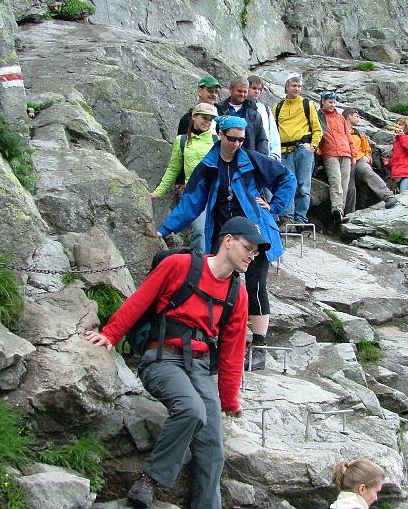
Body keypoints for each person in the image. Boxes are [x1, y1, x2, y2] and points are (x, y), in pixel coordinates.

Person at [84, 216, 270, 509]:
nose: (251, 256)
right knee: (191, 410)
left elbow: (232, 352)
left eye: (255, 252)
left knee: (213, 449)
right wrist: (110, 334)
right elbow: (140, 300)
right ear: (228, 241)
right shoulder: (179, 265)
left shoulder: (239, 293)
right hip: (162, 360)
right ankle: (149, 479)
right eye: (248, 248)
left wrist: (229, 399)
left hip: (200, 367)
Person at [157, 116, 295, 371]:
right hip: (224, 237)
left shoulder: (252, 159)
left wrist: (274, 206)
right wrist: (163, 229)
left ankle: (259, 347)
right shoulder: (208, 166)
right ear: (220, 135)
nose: (237, 144)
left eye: (241, 139)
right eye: (232, 138)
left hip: (256, 233)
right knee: (219, 287)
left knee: (255, 285)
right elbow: (191, 202)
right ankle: (217, 341)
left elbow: (287, 178)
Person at [150, 103, 218, 252]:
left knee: (214, 233)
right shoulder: (181, 141)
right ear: (194, 116)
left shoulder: (216, 140)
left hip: (215, 192)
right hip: (194, 194)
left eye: (211, 119)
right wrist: (158, 192)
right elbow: (173, 169)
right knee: (199, 231)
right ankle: (199, 263)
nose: (208, 122)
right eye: (204, 118)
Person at [273, 73, 323, 230]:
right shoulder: (278, 107)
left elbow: (317, 129)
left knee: (303, 186)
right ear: (286, 87)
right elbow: (273, 130)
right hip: (283, 151)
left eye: (299, 86)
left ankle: (300, 219)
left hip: (303, 149)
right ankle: (287, 218)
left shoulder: (307, 104)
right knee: (287, 185)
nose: (297, 89)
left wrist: (313, 146)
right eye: (294, 86)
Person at [343, 108, 399, 214]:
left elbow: (367, 148)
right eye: (356, 116)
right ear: (349, 116)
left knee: (367, 172)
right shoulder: (340, 132)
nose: (358, 119)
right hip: (345, 161)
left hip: (359, 160)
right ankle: (349, 214)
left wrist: (367, 156)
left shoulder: (358, 133)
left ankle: (388, 196)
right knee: (350, 188)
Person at [318, 92, 356, 226]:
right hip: (330, 153)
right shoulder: (319, 116)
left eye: (334, 102)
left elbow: (348, 136)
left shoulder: (340, 117)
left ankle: (340, 212)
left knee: (344, 183)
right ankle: (336, 209)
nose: (332, 104)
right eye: (330, 102)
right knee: (335, 181)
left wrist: (353, 153)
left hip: (345, 153)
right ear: (323, 102)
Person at [216, 77, 269, 156]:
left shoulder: (254, 113)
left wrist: (261, 159)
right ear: (231, 89)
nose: (242, 94)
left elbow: (262, 139)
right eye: (239, 91)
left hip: (247, 158)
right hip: (222, 156)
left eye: (245, 92)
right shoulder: (218, 109)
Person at [247, 75, 281, 161]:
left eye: (259, 89)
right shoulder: (240, 107)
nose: (257, 91)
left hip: (264, 155)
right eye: (254, 88)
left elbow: (273, 133)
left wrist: (275, 155)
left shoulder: (265, 109)